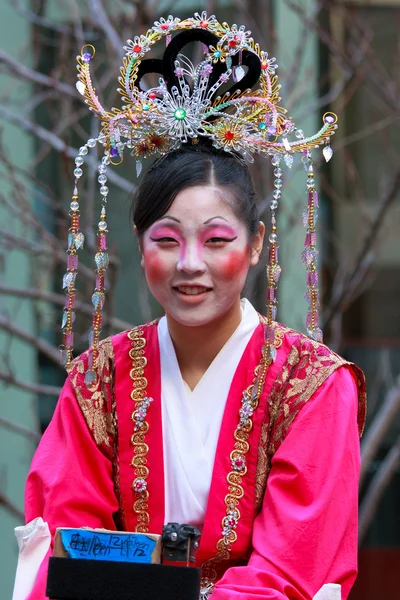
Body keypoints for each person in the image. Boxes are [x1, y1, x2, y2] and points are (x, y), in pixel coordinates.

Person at [22, 13, 366, 600]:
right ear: (138, 246)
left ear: (256, 245)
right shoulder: (97, 381)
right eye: (166, 240)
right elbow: (67, 545)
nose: (189, 265)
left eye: (216, 240)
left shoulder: (312, 387)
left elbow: (291, 571)